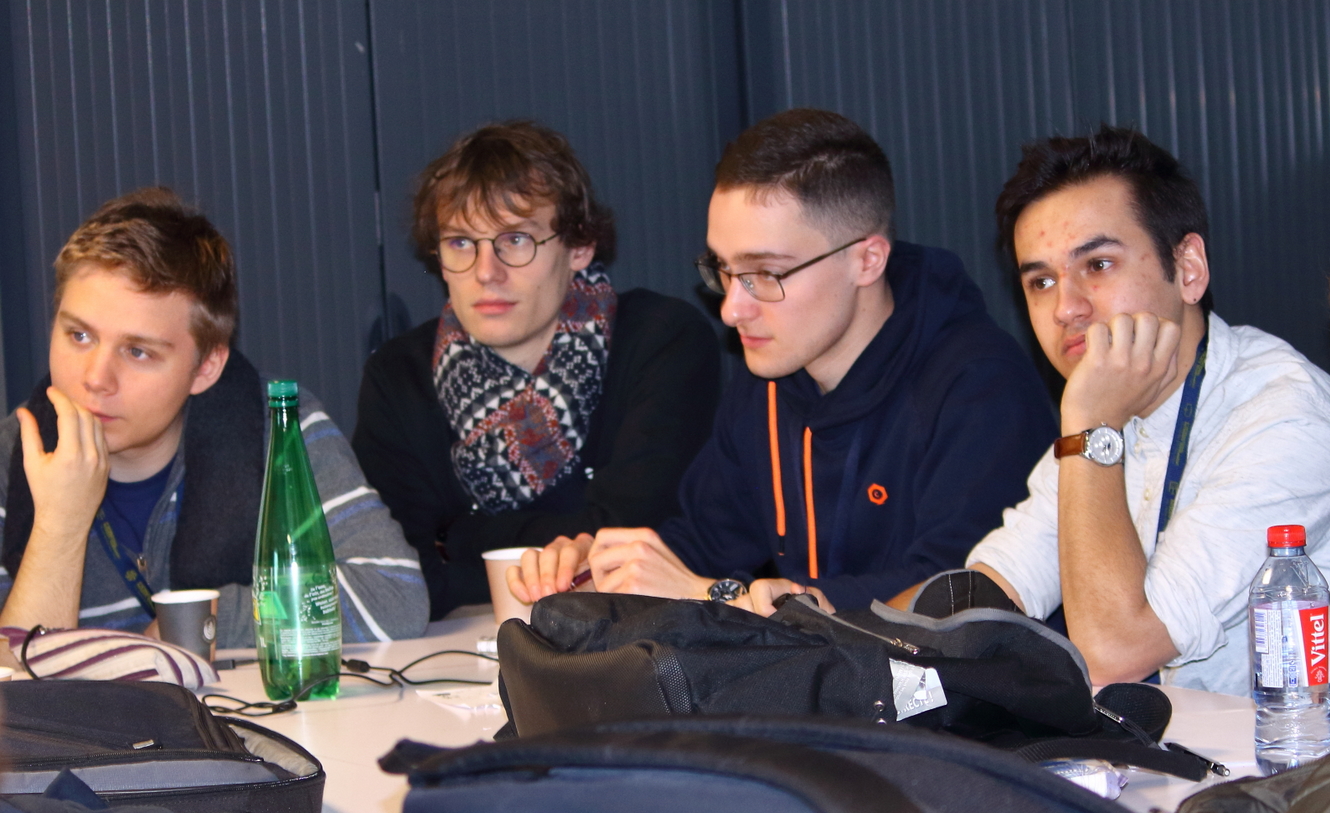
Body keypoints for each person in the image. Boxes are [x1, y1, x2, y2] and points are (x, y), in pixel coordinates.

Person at [510, 108, 1057, 614]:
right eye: (723, 270)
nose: (732, 309)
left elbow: (955, 598)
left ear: (867, 260)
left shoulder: (981, 386)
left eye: (765, 274)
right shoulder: (768, 380)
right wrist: (602, 567)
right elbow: (700, 546)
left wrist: (719, 597)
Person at [961, 125, 1330, 700]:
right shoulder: (1115, 407)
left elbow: (1114, 652)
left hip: (1294, 753)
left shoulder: (1291, 419)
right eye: (1041, 281)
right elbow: (986, 594)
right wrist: (858, 639)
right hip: (1164, 752)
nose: (1066, 308)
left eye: (1098, 265)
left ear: (1188, 269)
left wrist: (1091, 427)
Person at [0, 188, 428, 654]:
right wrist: (60, 525)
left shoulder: (277, 427)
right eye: (79, 335)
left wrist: (201, 621)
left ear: (206, 367)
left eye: (137, 351)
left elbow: (394, 595)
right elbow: (12, 679)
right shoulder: (9, 458)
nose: (95, 378)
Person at [352, 121, 720, 618]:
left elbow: (632, 548)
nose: (487, 272)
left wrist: (456, 535)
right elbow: (398, 577)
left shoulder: (661, 342)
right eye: (460, 243)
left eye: (516, 239)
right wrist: (577, 536)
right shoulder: (398, 377)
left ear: (579, 246)